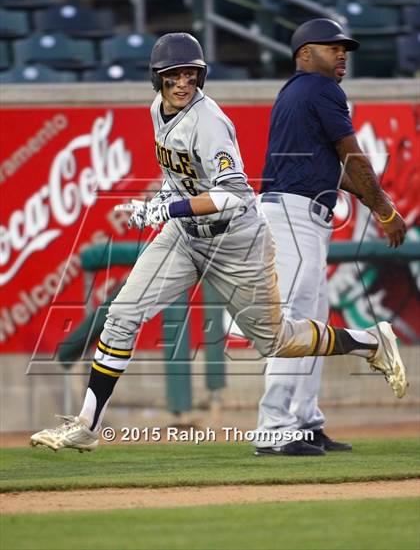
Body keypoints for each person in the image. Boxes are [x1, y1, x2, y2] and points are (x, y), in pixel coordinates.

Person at [30, 32, 407, 453]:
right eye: (172, 75)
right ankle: (87, 423)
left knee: (278, 341)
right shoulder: (157, 110)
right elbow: (184, 181)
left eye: (190, 74)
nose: (182, 83)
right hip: (186, 236)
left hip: (236, 241)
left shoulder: (209, 123)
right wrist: (161, 203)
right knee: (122, 315)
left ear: (201, 76)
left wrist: (167, 210)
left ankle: (372, 341)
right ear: (157, 79)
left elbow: (235, 196)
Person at [254, 18, 408, 457]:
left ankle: (304, 423)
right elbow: (353, 156)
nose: (342, 54)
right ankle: (274, 428)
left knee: (314, 325)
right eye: (331, 47)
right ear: (305, 53)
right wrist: (384, 209)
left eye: (345, 48)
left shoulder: (294, 93)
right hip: (293, 217)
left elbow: (336, 170)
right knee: (294, 326)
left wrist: (375, 201)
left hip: (298, 213)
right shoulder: (321, 90)